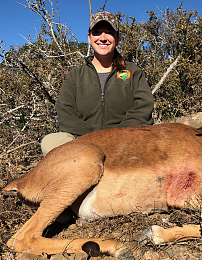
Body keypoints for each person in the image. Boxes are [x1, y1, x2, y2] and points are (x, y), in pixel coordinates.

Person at [41, 11, 154, 156]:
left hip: (127, 138)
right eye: (97, 32)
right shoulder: (75, 76)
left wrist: (116, 136)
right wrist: (95, 138)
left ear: (117, 39)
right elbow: (65, 113)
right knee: (50, 142)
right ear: (89, 38)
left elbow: (143, 107)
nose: (103, 38)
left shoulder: (133, 72)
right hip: (85, 141)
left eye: (109, 32)